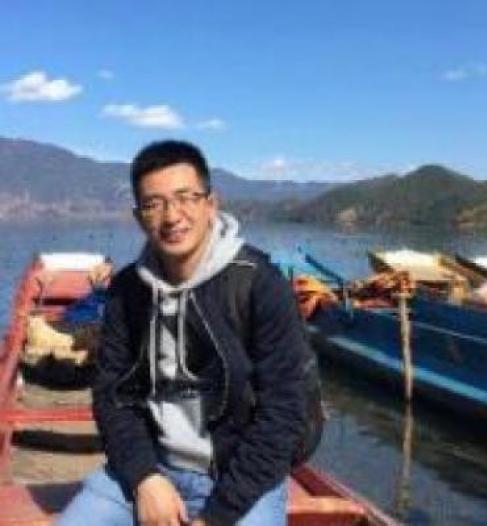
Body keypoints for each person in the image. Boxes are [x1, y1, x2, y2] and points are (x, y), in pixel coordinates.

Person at [58, 140, 312, 526]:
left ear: (211, 204)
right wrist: (144, 478)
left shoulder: (260, 284)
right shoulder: (127, 292)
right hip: (152, 469)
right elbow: (112, 396)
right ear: (139, 216)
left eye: (185, 198)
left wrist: (216, 516)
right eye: (154, 204)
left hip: (241, 478)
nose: (172, 216)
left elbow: (284, 412)